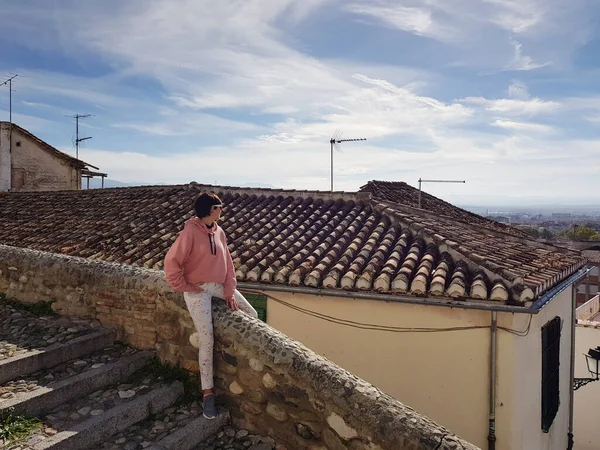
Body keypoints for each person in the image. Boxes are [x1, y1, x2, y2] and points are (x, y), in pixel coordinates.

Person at [164, 192, 258, 419]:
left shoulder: (219, 231)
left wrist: (228, 290)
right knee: (207, 340)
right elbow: (171, 262)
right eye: (219, 206)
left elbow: (227, 264)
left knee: (251, 314)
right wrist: (184, 285)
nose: (222, 209)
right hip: (196, 291)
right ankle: (208, 394)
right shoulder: (190, 232)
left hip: (217, 286)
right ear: (210, 209)